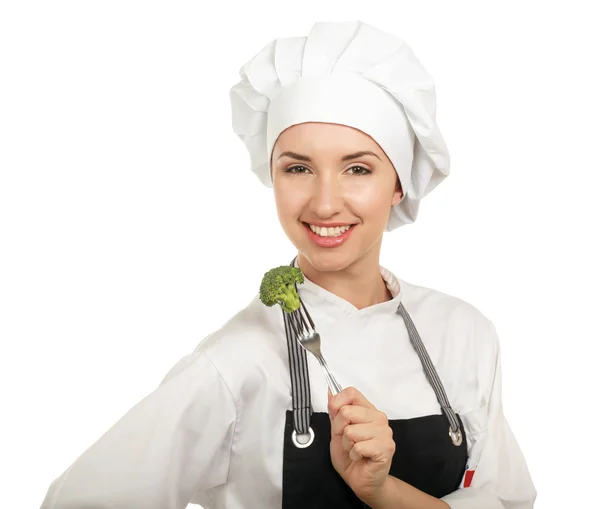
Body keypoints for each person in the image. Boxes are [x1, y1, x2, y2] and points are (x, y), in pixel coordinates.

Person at [39, 20, 536, 509]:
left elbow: (507, 503)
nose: (323, 204)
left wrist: (382, 492)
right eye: (298, 168)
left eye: (357, 168)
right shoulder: (237, 362)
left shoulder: (463, 335)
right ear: (272, 177)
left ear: (399, 184)